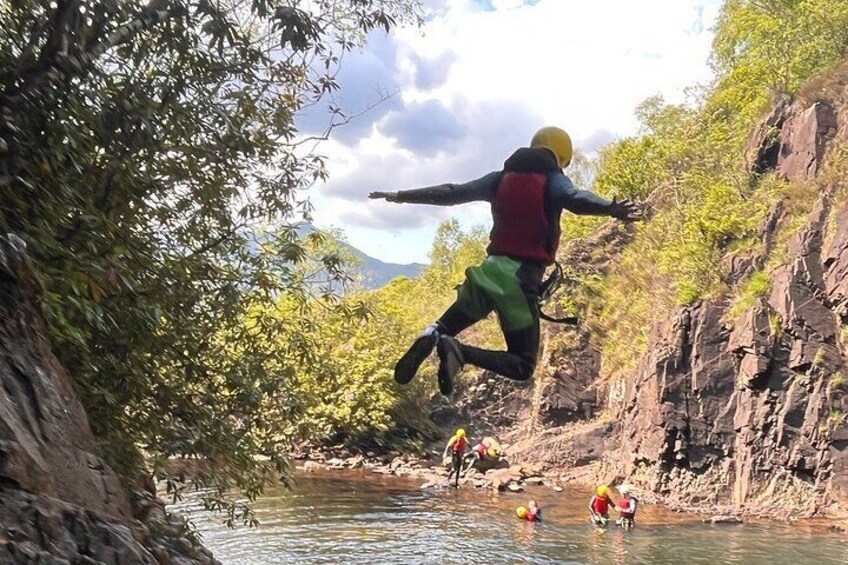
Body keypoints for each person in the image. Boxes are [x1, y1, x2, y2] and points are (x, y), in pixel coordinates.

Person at [370, 127, 641, 396]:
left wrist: (400, 195)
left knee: (443, 326)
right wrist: (609, 208)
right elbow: (575, 199)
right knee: (522, 364)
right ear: (560, 156)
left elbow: (453, 192)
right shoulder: (552, 180)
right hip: (518, 279)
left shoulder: (500, 179)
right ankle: (460, 352)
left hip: (488, 272)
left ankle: (431, 334)